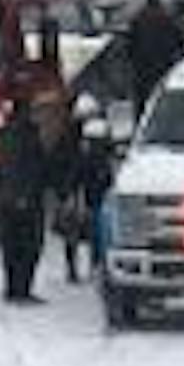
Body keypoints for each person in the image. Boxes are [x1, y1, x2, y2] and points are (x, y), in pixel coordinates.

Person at [54, 93, 116, 283]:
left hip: (88, 189)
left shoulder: (81, 137)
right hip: (82, 189)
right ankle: (82, 266)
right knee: (82, 228)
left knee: (94, 228)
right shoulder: (73, 137)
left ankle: (90, 265)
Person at [0, 90, 50, 303]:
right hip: (25, 198)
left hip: (9, 198)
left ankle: (13, 288)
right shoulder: (26, 135)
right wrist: (24, 195)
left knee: (12, 245)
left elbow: (5, 168)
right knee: (28, 245)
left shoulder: (3, 134)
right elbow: (24, 167)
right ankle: (22, 289)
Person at [124, 0, 184, 115]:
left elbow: (129, 42)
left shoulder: (138, 18)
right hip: (163, 61)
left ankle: (142, 117)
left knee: (143, 95)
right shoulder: (166, 18)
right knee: (162, 91)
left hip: (142, 64)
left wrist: (130, 59)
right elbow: (178, 39)